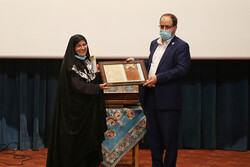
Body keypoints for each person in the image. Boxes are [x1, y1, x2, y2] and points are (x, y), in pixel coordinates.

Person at [127, 13, 191, 167]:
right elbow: (153, 64)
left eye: (167, 27)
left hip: (168, 100)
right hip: (151, 98)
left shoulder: (181, 46)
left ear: (175, 28)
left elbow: (182, 69)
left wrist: (158, 78)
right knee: (153, 139)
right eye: (161, 26)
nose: (164, 29)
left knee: (169, 140)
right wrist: (137, 64)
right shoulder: (154, 44)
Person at [46, 34, 110, 167]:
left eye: (84, 44)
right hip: (74, 115)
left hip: (88, 114)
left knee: (88, 144)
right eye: (79, 45)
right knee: (75, 147)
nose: (82, 48)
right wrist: (97, 87)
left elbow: (91, 81)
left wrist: (98, 74)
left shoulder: (88, 61)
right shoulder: (70, 65)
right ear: (73, 48)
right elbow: (78, 86)